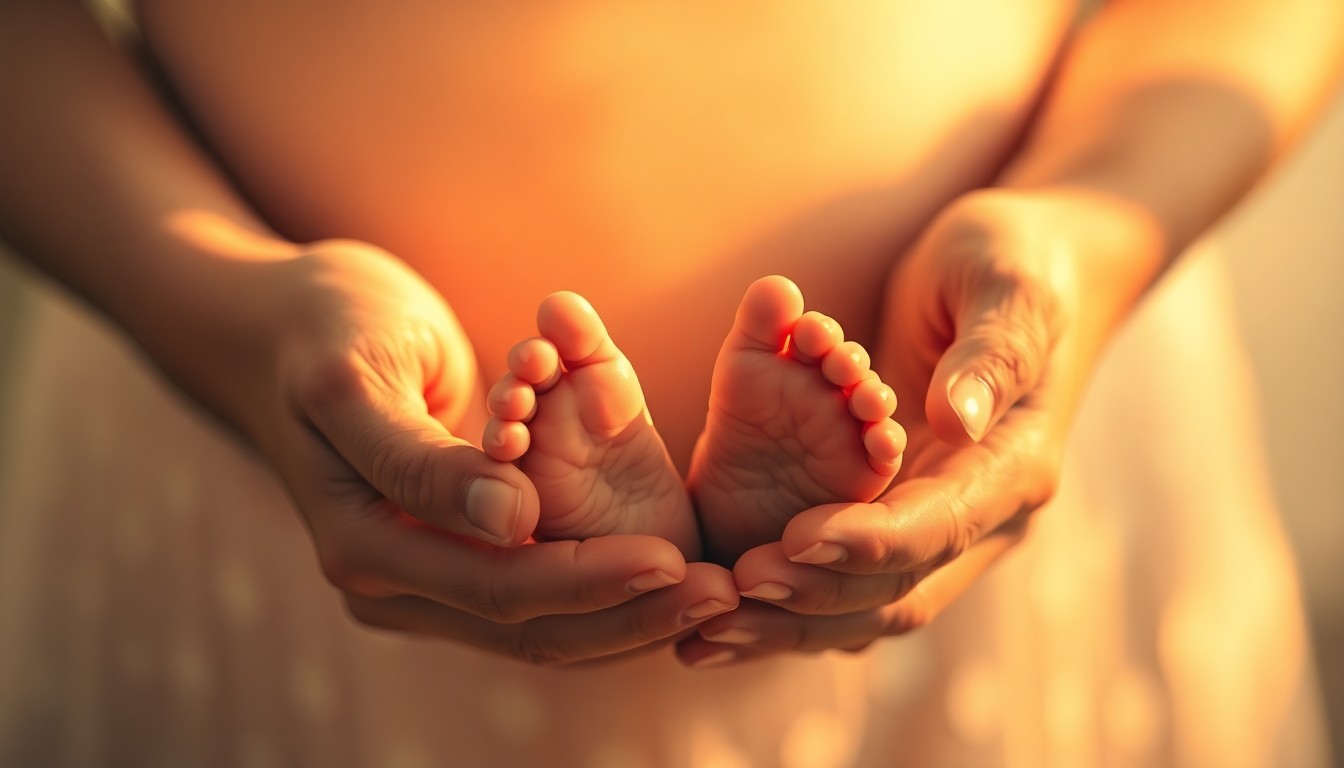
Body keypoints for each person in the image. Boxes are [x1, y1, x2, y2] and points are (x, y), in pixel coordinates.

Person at [0, 0, 1339, 765]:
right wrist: (216, 308)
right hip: (252, 431)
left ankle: (635, 484)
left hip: (1019, 407)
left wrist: (1095, 221)